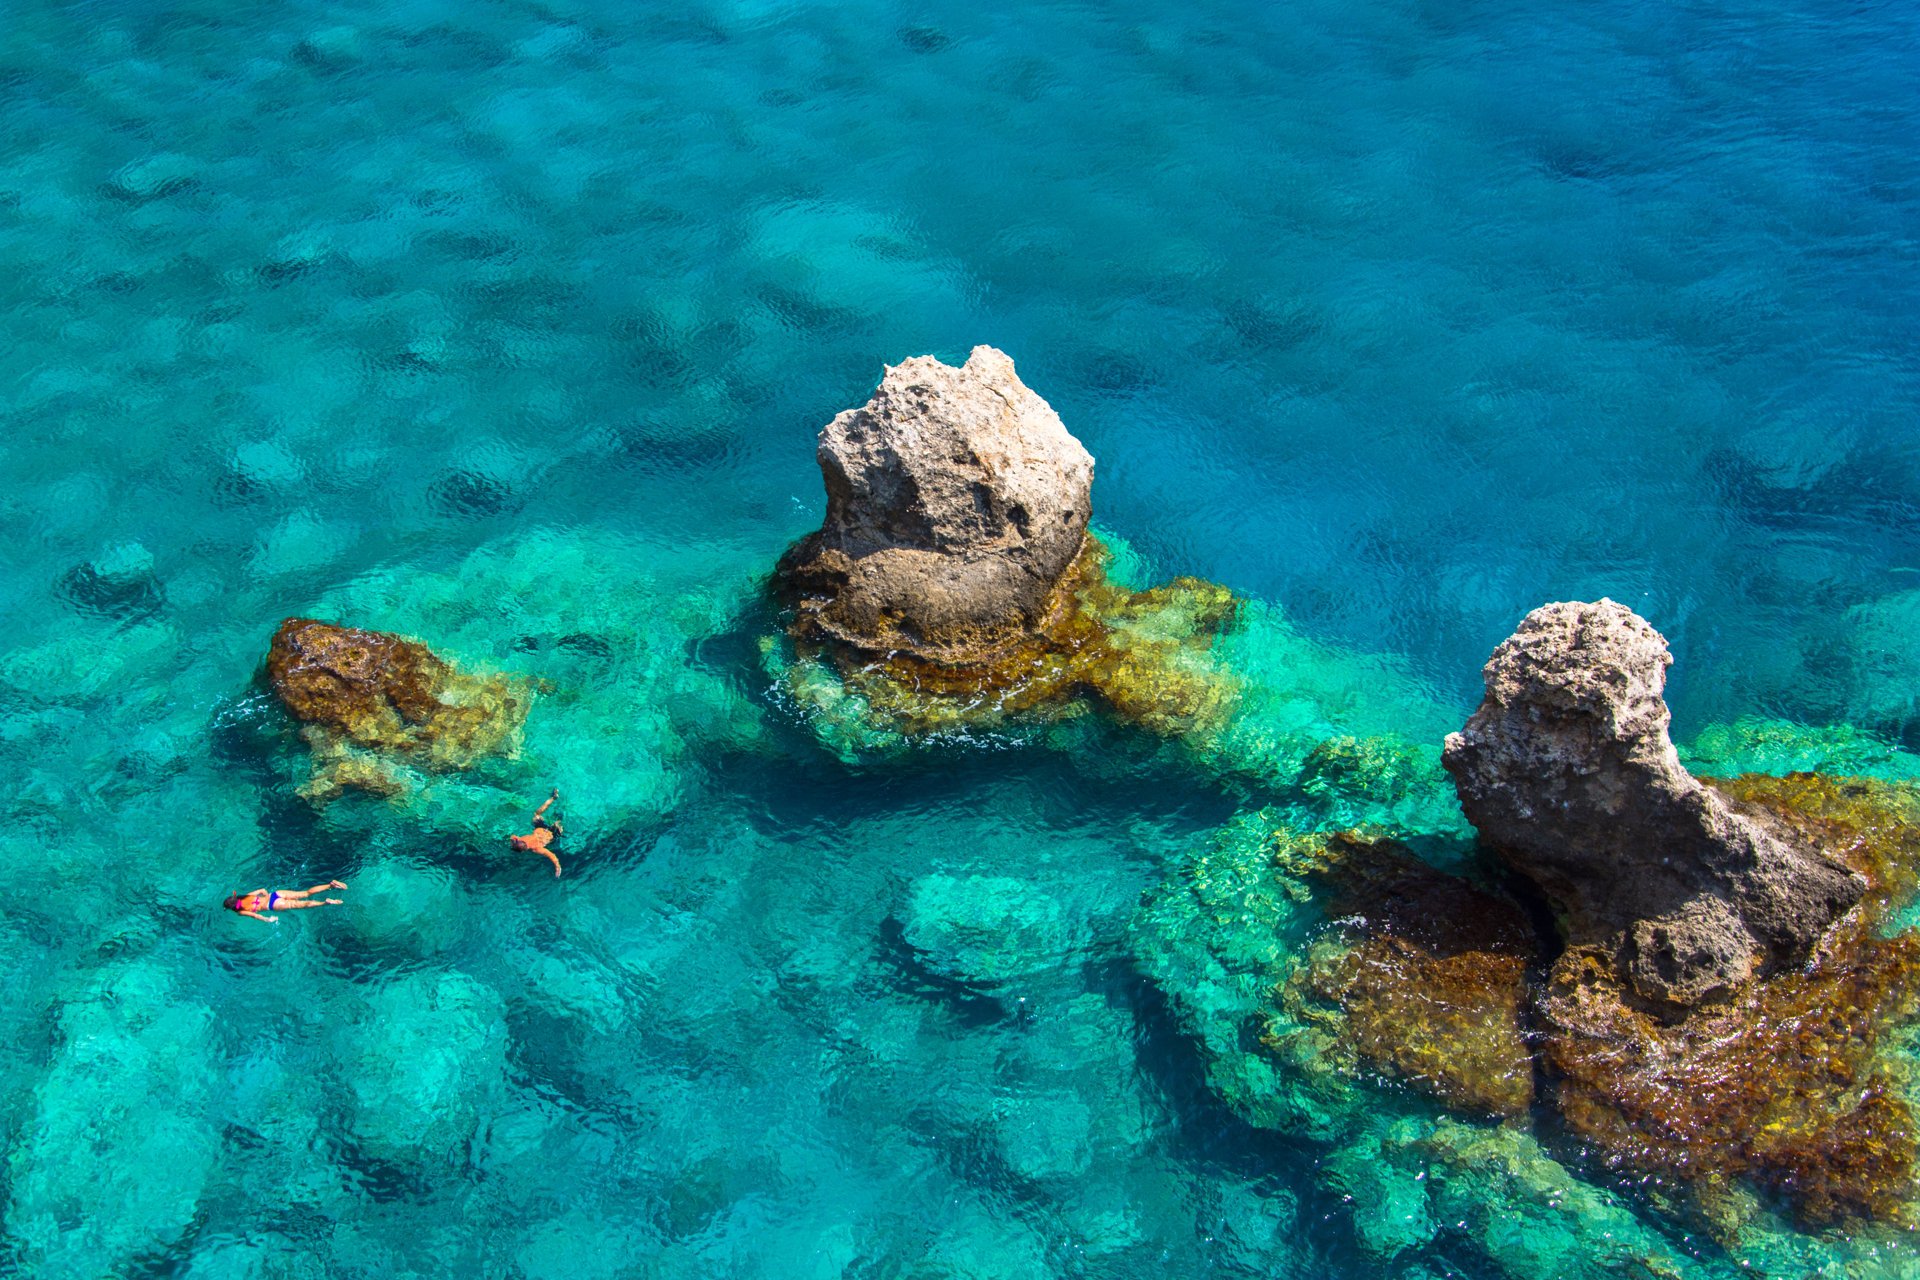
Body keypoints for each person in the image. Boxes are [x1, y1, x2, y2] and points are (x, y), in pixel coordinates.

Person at [224, 881, 348, 924]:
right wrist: (268, 898)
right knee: (305, 893)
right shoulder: (246, 896)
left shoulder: (240, 911)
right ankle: (330, 886)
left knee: (303, 905)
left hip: (273, 905)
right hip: (276, 895)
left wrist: (268, 919)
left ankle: (324, 903)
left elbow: (256, 915)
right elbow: (262, 890)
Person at [509, 787, 565, 877]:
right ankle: (553, 798)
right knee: (536, 814)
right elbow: (512, 836)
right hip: (541, 829)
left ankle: (560, 818)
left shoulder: (537, 849)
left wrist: (558, 867)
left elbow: (552, 856)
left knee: (558, 825)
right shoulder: (520, 839)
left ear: (524, 851)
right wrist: (512, 841)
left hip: (551, 834)